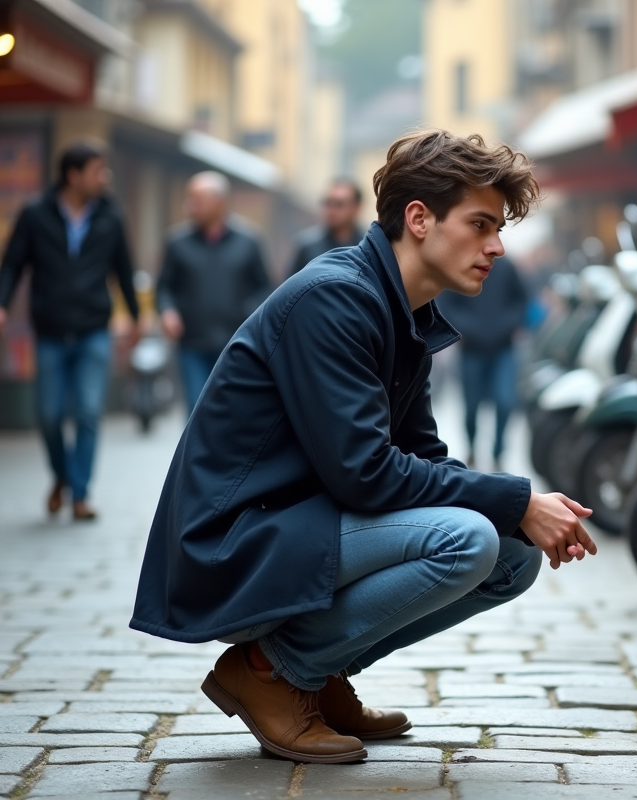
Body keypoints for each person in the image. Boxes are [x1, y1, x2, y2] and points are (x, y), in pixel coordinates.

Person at [130, 130, 597, 764]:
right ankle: (272, 670)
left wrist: (518, 509)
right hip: (233, 542)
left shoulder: (401, 310)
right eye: (481, 224)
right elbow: (365, 475)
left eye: (500, 229)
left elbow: (424, 460)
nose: (496, 247)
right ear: (419, 219)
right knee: (470, 539)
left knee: (512, 556)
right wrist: (515, 498)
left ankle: (319, 676)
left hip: (301, 523)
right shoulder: (335, 300)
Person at [0, 140, 140, 521]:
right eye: (98, 170)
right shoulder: (34, 214)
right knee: (47, 415)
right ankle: (62, 476)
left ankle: (80, 494)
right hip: (49, 332)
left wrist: (136, 318)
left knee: (89, 411)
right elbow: (12, 264)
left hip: (94, 330)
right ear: (73, 175)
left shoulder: (112, 215)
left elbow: (124, 270)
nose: (105, 177)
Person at [157, 171, 272, 415]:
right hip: (192, 344)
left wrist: (249, 314)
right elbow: (165, 286)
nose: (189, 206)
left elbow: (265, 288)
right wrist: (167, 311)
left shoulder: (248, 241)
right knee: (197, 412)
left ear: (219, 203)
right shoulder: (177, 243)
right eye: (189, 199)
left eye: (197, 200)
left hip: (237, 345)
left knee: (233, 412)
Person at [437, 255, 527, 469]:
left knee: (505, 401)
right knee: (471, 406)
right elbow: (448, 302)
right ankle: (472, 449)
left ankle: (498, 454)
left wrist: (510, 324)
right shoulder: (462, 263)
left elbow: (521, 299)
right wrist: (464, 328)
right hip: (472, 350)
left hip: (503, 349)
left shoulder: (506, 266)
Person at [290, 178, 365, 276]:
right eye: (328, 203)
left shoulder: (366, 247)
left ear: (356, 207)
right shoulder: (308, 246)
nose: (331, 210)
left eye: (339, 204)